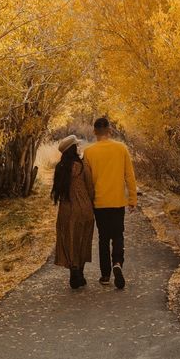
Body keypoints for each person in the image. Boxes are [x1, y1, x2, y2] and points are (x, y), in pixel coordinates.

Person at [83, 117, 137, 289]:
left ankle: (105, 275)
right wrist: (132, 199)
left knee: (103, 239)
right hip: (117, 201)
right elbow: (130, 175)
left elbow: (87, 181)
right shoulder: (121, 149)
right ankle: (118, 263)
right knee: (118, 235)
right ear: (110, 130)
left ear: (94, 132)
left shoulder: (89, 152)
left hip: (99, 203)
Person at [51, 135, 95, 289]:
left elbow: (58, 191)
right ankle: (80, 273)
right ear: (74, 148)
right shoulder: (82, 166)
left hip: (66, 209)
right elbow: (90, 187)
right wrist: (91, 202)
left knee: (69, 238)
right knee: (82, 238)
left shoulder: (60, 168)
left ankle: (73, 272)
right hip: (83, 208)